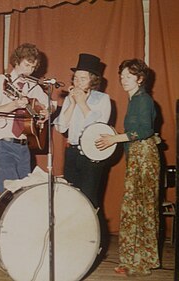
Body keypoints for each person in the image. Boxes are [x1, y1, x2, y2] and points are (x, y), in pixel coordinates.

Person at [96, 59, 160, 276]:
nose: (123, 79)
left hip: (143, 158)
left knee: (139, 208)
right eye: (122, 76)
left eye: (128, 76)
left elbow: (144, 131)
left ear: (140, 79)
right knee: (138, 208)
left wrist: (115, 139)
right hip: (138, 156)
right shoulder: (135, 100)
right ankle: (140, 260)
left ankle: (138, 263)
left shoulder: (143, 100)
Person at [0, 43, 52, 193]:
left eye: (33, 68)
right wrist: (14, 104)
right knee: (10, 192)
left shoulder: (33, 86)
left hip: (24, 146)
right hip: (3, 145)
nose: (29, 71)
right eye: (26, 65)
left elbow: (50, 105)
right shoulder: (1, 81)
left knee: (24, 194)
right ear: (16, 62)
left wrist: (46, 112)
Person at [53, 53, 111, 208]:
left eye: (83, 79)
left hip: (91, 155)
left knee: (88, 201)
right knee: (71, 197)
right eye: (75, 78)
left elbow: (99, 127)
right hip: (72, 153)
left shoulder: (103, 99)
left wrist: (82, 103)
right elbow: (60, 127)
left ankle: (94, 233)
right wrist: (72, 104)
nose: (77, 82)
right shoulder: (69, 98)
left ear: (92, 80)